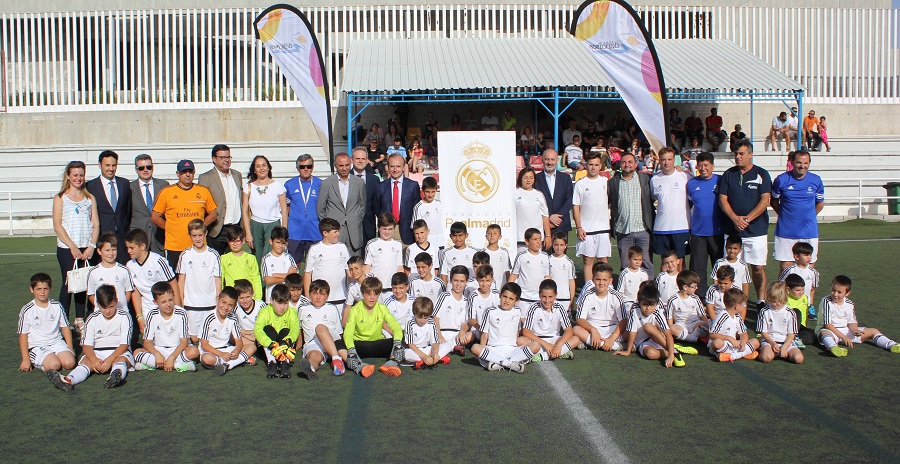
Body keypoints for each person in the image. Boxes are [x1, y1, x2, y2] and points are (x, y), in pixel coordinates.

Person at [46, 285, 133, 391]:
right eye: (103, 307)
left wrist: (109, 360)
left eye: (110, 307)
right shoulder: (92, 318)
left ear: (116, 301)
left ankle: (114, 378)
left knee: (121, 359)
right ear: (98, 304)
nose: (107, 311)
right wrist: (94, 359)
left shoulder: (125, 317)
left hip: (118, 352)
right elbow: (86, 346)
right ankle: (68, 380)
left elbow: (124, 345)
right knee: (86, 360)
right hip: (97, 352)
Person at [718, 140, 772, 307]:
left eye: (741, 153)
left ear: (751, 154)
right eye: (736, 154)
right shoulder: (728, 174)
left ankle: (761, 300)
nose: (738, 157)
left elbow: (765, 200)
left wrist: (747, 219)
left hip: (756, 230)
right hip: (732, 230)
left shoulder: (762, 173)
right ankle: (733, 301)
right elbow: (722, 199)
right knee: (732, 268)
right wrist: (735, 219)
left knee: (757, 268)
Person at [52, 161, 99, 328]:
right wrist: (72, 246)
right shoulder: (60, 198)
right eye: (75, 175)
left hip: (85, 248)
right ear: (68, 176)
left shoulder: (89, 198)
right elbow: (57, 225)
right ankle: (62, 320)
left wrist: (91, 246)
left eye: (81, 175)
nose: (78, 178)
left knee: (82, 284)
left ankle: (80, 319)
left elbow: (95, 223)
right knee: (68, 284)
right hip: (67, 248)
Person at [151, 159, 218, 271]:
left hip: (198, 245)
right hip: (175, 246)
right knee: (177, 279)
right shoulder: (167, 192)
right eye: (184, 171)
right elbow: (155, 217)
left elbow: (213, 213)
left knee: (198, 275)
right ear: (178, 174)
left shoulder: (203, 191)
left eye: (190, 171)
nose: (187, 174)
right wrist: (170, 228)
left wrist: (200, 227)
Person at [817, 275, 900, 357]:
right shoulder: (826, 301)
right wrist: (843, 337)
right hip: (830, 330)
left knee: (873, 331)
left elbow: (851, 321)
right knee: (825, 333)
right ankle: (833, 347)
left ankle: (892, 345)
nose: (835, 294)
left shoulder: (849, 303)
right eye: (833, 290)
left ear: (847, 293)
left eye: (839, 292)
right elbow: (827, 324)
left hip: (845, 331)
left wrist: (854, 330)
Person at [771, 150, 825, 271]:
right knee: (786, 268)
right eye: (799, 162)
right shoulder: (781, 180)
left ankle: (806, 291)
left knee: (809, 268)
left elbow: (820, 203)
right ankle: (785, 291)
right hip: (786, 231)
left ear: (809, 163)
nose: (802, 166)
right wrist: (786, 215)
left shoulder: (816, 180)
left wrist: (809, 216)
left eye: (806, 163)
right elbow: (773, 201)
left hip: (809, 231)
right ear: (792, 162)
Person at [471, 282, 540, 373]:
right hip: (494, 349)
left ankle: (500, 363)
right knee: (475, 348)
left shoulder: (517, 311)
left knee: (536, 345)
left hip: (512, 350)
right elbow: (484, 334)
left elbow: (517, 332)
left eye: (511, 299)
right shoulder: (490, 311)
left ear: (517, 301)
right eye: (505, 296)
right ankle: (510, 364)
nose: (507, 301)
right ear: (500, 295)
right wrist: (482, 351)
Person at [343, 277, 405, 378]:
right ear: (363, 293)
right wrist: (351, 349)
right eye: (369, 294)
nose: (372, 297)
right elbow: (348, 333)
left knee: (402, 336)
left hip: (378, 344)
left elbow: (396, 327)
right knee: (341, 342)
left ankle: (391, 363)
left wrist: (397, 342)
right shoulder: (355, 310)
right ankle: (359, 366)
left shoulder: (382, 308)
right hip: (360, 346)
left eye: (375, 294)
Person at [614, 283, 684, 368]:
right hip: (642, 342)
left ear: (656, 303)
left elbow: (668, 333)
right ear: (639, 302)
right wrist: (628, 351)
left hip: (657, 338)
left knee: (648, 326)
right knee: (651, 354)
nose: (648, 308)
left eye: (651, 305)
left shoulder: (657, 312)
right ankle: (673, 350)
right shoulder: (634, 309)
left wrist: (670, 355)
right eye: (645, 305)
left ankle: (673, 352)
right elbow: (632, 331)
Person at [133, 281, 198, 372]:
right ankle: (178, 365)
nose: (168, 304)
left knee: (194, 352)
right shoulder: (152, 315)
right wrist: (157, 354)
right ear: (155, 302)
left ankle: (155, 364)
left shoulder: (182, 313)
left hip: (177, 350)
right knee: (136, 352)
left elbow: (184, 342)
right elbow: (147, 342)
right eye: (163, 302)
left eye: (170, 300)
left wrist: (172, 357)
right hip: (159, 350)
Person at [18, 273, 76, 373]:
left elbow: (65, 327)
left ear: (50, 289)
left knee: (69, 363)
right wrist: (25, 359)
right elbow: (23, 335)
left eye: (45, 289)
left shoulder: (57, 306)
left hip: (56, 342)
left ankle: (55, 357)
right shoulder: (27, 310)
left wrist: (70, 349)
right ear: (32, 289)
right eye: (38, 289)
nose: (42, 292)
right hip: (38, 345)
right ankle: (39, 362)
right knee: (54, 365)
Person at [124, 229, 179, 333]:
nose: (128, 251)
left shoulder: (158, 261)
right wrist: (139, 317)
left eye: (132, 248)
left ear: (143, 246)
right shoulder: (129, 265)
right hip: (147, 308)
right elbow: (135, 292)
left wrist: (178, 310)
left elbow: (173, 284)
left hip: (165, 306)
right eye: (127, 248)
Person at [177, 218, 222, 342]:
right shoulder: (185, 255)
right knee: (194, 339)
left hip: (210, 304)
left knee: (210, 337)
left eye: (200, 235)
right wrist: (181, 301)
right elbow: (181, 281)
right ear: (190, 236)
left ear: (205, 234)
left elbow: (217, 279)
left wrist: (218, 300)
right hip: (191, 305)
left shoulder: (213, 255)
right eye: (194, 236)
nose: (197, 239)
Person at [609, 152, 654, 274]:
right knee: (625, 264)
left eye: (630, 162)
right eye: (624, 162)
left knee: (646, 263)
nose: (627, 165)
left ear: (635, 164)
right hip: (623, 230)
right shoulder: (613, 182)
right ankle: (626, 291)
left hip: (643, 229)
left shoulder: (646, 179)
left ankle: (647, 291)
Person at [686, 152, 724, 295]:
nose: (703, 168)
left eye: (706, 165)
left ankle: (719, 297)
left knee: (719, 269)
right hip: (698, 234)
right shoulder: (691, 183)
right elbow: (688, 204)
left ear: (712, 166)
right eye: (700, 165)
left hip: (717, 233)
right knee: (697, 269)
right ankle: (699, 299)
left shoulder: (721, 180)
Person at [85, 150, 132, 264]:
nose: (111, 168)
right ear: (99, 165)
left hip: (121, 239)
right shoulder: (90, 186)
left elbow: (128, 210)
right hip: (101, 238)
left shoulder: (124, 184)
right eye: (107, 165)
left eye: (113, 165)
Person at [572, 152, 611, 286]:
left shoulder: (606, 182)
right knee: (588, 261)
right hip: (586, 230)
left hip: (603, 230)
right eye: (590, 165)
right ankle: (588, 290)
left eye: (596, 165)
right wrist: (579, 227)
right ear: (586, 165)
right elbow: (576, 207)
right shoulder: (580, 184)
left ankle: (604, 288)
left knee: (603, 261)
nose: (593, 167)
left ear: (600, 166)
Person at [296, 279, 348, 379]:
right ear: (309, 294)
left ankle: (340, 360)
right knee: (314, 356)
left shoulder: (332, 308)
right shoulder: (302, 308)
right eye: (315, 293)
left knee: (320, 329)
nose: (318, 297)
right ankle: (310, 368)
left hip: (331, 340)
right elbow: (299, 330)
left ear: (327, 296)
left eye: (322, 294)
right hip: (313, 343)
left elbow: (339, 333)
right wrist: (297, 347)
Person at [650, 147, 692, 270]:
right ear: (659, 160)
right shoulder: (654, 180)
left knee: (680, 262)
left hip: (681, 227)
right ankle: (664, 287)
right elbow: (653, 198)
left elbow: (691, 200)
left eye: (669, 159)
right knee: (665, 262)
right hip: (662, 227)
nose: (666, 162)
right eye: (663, 159)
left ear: (674, 160)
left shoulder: (685, 177)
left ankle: (680, 288)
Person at [241, 155, 288, 264]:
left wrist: (284, 232)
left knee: (269, 257)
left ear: (268, 168)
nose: (261, 168)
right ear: (254, 170)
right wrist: (248, 233)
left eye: (264, 165)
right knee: (257, 257)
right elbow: (244, 210)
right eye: (258, 166)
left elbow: (284, 210)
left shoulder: (277, 186)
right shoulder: (248, 187)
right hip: (256, 225)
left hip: (273, 225)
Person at [198, 144, 243, 255]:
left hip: (236, 228)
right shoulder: (206, 178)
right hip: (217, 229)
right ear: (214, 159)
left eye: (228, 157)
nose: (226, 160)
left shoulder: (237, 175)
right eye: (222, 157)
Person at [520, 279, 577, 361]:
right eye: (544, 297)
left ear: (556, 295)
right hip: (537, 340)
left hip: (554, 340)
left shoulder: (559, 307)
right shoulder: (533, 307)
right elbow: (525, 331)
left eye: (550, 297)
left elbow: (569, 330)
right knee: (520, 341)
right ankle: (560, 353)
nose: (547, 301)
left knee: (576, 339)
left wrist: (559, 345)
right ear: (539, 295)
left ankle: (543, 356)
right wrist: (545, 344)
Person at [574, 262, 626, 351]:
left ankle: (596, 344)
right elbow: (579, 319)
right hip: (592, 329)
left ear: (610, 281)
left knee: (631, 330)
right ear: (593, 280)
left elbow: (624, 320)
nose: (601, 283)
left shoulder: (616, 296)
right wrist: (593, 330)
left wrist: (612, 337)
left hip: (611, 329)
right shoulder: (587, 295)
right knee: (576, 329)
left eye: (605, 280)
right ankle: (615, 346)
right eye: (598, 279)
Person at [254, 283, 300, 378]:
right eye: (279, 303)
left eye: (285, 303)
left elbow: (295, 328)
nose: (282, 307)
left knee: (286, 330)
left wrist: (288, 340)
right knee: (267, 329)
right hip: (268, 347)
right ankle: (272, 363)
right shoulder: (264, 311)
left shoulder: (291, 312)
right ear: (271, 300)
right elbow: (258, 330)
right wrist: (270, 343)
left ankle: (285, 363)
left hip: (284, 346)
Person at [284, 154, 322, 265]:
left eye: (308, 166)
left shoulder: (320, 184)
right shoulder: (289, 184)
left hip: (315, 232)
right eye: (302, 166)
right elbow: (286, 207)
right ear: (297, 168)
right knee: (294, 265)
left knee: (315, 265)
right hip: (295, 232)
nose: (306, 169)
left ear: (313, 167)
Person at [375, 154, 421, 245]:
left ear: (404, 167)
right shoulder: (380, 186)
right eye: (392, 166)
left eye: (398, 166)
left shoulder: (413, 186)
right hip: (387, 232)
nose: (395, 169)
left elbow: (417, 209)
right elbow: (377, 208)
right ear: (387, 167)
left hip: (407, 232)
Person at [304, 218, 350, 305]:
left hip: (340, 298)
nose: (338, 234)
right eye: (335, 232)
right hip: (320, 300)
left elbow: (349, 271)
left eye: (338, 231)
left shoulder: (342, 247)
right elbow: (307, 273)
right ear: (325, 233)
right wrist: (307, 295)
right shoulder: (314, 249)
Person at [534, 149, 574, 250]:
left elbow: (569, 200)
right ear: (542, 160)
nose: (550, 162)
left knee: (559, 261)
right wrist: (549, 218)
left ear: (557, 161)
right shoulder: (535, 179)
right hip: (542, 226)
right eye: (547, 159)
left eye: (552, 159)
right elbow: (534, 202)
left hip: (561, 224)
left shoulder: (566, 178)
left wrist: (556, 217)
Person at [757, 281, 803, 364]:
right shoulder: (764, 311)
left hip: (786, 342)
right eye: (773, 301)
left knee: (799, 358)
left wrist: (784, 347)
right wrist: (773, 344)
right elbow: (763, 332)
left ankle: (783, 353)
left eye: (779, 301)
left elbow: (791, 334)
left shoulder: (790, 312)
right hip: (770, 341)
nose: (776, 304)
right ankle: (763, 352)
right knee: (766, 358)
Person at [86, 233, 134, 314]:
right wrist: (102, 307)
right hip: (102, 315)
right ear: (99, 251)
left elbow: (128, 291)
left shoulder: (124, 270)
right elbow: (91, 294)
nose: (111, 253)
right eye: (107, 250)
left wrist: (123, 306)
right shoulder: (93, 272)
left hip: (121, 314)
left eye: (114, 250)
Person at [708, 287, 759, 363]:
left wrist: (743, 343)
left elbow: (744, 333)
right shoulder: (722, 316)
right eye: (743, 304)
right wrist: (729, 338)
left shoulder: (738, 316)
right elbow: (712, 335)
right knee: (717, 343)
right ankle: (741, 354)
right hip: (723, 344)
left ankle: (731, 356)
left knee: (756, 342)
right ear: (737, 306)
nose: (744, 306)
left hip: (733, 346)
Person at [129, 154, 168, 253]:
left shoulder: (164, 185)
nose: (145, 170)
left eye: (148, 167)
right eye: (141, 168)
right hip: (138, 237)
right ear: (136, 170)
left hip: (159, 237)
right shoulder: (129, 188)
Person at [433, 265, 474, 354]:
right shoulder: (444, 296)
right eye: (456, 280)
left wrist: (462, 332)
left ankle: (449, 347)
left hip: (457, 334)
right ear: (451, 280)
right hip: (442, 332)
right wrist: (439, 335)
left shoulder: (467, 301)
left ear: (466, 282)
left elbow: (466, 323)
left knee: (471, 335)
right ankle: (451, 347)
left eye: (462, 281)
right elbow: (435, 318)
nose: (458, 284)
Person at [403, 297, 453, 370]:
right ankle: (434, 359)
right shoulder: (409, 324)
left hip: (427, 349)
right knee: (406, 354)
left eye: (425, 318)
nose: (422, 321)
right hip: (415, 351)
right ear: (414, 313)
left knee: (448, 345)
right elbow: (411, 345)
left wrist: (435, 353)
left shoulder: (432, 323)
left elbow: (435, 343)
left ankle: (429, 359)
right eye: (419, 317)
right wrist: (425, 357)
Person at [509, 228, 551, 313]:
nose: (538, 242)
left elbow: (547, 276)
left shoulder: (545, 256)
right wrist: (510, 293)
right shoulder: (521, 256)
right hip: (523, 298)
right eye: (535, 239)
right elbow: (514, 275)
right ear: (527, 242)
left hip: (539, 299)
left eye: (540, 239)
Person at [665, 270, 708, 347]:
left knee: (705, 325)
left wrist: (707, 325)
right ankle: (696, 339)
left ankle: (688, 337)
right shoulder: (673, 300)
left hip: (695, 324)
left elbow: (702, 315)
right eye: (694, 286)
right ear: (685, 287)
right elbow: (669, 318)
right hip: (680, 325)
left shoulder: (696, 298)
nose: (696, 288)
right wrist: (670, 332)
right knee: (671, 329)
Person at [779, 242, 820, 320]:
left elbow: (813, 289)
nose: (809, 258)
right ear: (797, 256)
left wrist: (810, 304)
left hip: (804, 301)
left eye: (810, 255)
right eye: (805, 255)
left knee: (802, 320)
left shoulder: (813, 272)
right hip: (789, 300)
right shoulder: (790, 270)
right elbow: (780, 284)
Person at [220, 225, 263, 300]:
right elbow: (221, 279)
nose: (235, 244)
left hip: (248, 298)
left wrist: (258, 298)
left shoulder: (251, 258)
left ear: (243, 241)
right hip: (231, 298)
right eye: (232, 241)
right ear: (228, 242)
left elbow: (256, 278)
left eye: (237, 241)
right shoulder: (223, 258)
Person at [349, 146, 380, 246]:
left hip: (368, 227)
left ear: (367, 160)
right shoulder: (344, 178)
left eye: (363, 158)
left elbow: (376, 205)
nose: (360, 161)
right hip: (349, 227)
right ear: (352, 160)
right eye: (357, 158)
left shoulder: (374, 179)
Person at [363, 214, 404, 290]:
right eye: (384, 229)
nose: (387, 232)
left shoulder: (397, 245)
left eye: (390, 229)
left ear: (394, 228)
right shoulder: (372, 244)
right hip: (375, 288)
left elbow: (400, 267)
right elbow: (367, 267)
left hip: (392, 288)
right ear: (378, 228)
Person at [515, 167, 551, 253]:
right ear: (521, 178)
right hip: (520, 238)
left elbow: (545, 216)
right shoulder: (515, 193)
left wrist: (548, 235)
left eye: (531, 177)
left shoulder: (539, 195)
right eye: (526, 177)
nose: (528, 180)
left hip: (536, 239)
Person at [261, 226, 297, 302]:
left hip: (287, 300)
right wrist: (287, 276)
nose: (280, 246)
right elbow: (268, 280)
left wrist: (275, 275)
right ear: (271, 241)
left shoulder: (289, 257)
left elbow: (295, 278)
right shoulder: (266, 259)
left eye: (283, 243)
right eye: (277, 242)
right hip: (272, 300)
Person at [232, 278, 263, 361]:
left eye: (248, 297)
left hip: (257, 336)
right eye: (241, 298)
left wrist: (249, 333)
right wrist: (245, 335)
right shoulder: (235, 307)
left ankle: (245, 354)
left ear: (252, 294)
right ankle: (247, 354)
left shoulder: (261, 306)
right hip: (243, 337)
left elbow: (267, 328)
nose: (245, 301)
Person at [412, 176, 444, 248]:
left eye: (433, 192)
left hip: (441, 242)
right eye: (427, 192)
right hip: (426, 243)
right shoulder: (418, 207)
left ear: (436, 190)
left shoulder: (440, 205)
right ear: (423, 191)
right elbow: (416, 227)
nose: (430, 195)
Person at [548, 233, 576, 308]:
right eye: (556, 245)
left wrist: (572, 299)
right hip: (551, 298)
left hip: (565, 298)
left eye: (561, 245)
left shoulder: (569, 262)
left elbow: (571, 281)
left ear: (565, 246)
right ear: (552, 245)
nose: (559, 248)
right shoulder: (548, 260)